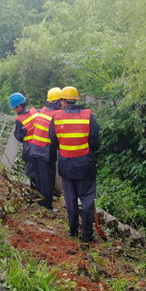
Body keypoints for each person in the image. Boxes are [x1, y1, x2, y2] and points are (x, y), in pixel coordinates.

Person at [49, 86, 100, 242]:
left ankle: (72, 231)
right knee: (87, 200)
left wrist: (65, 150)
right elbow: (95, 141)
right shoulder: (88, 117)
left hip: (66, 165)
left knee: (70, 200)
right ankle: (87, 235)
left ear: (63, 101)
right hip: (85, 166)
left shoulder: (56, 117)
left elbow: (53, 140)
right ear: (76, 100)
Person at [29, 87, 63, 210]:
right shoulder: (56, 115)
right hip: (46, 152)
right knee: (48, 179)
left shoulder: (43, 111)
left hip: (35, 149)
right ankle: (47, 205)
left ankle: (39, 202)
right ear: (58, 101)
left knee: (39, 178)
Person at [10, 92, 39, 191]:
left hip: (30, 149)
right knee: (41, 172)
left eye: (14, 107)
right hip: (42, 147)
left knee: (31, 173)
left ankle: (36, 193)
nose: (13, 110)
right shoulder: (34, 112)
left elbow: (19, 137)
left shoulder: (20, 120)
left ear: (18, 107)